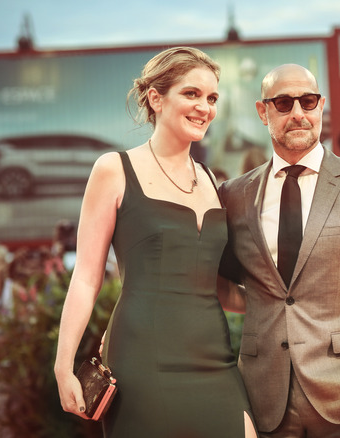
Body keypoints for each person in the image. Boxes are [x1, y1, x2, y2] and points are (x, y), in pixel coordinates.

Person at [53, 47, 256, 438]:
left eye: (212, 98)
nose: (205, 107)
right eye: (192, 94)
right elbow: (86, 277)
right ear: (156, 98)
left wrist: (286, 301)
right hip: (143, 358)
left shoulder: (212, 180)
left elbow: (217, 286)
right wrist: (64, 365)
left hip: (215, 358)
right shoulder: (114, 169)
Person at [218, 63, 340, 437]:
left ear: (321, 106)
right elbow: (219, 284)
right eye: (283, 103)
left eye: (307, 101)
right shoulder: (235, 195)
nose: (298, 113)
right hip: (263, 399)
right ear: (263, 112)